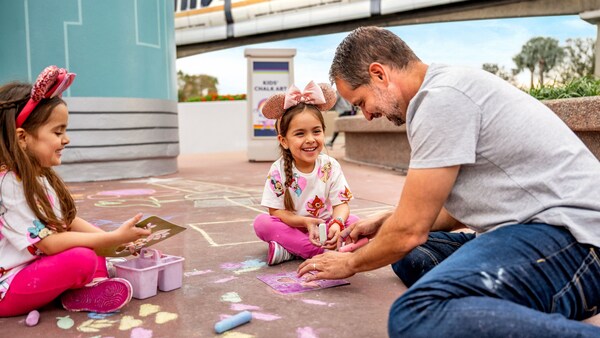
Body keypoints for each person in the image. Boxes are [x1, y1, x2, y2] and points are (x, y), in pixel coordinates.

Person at [297, 26, 600, 337]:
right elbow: (459, 209)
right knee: (407, 256)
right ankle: (507, 310)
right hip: (537, 230)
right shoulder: (441, 90)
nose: (367, 115)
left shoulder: (441, 101)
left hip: (577, 242)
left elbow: (410, 231)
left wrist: (351, 264)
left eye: (360, 102)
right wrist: (387, 222)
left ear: (379, 74)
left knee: (417, 315)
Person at [0, 65, 151, 317]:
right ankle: (81, 289)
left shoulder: (39, 176)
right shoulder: (8, 184)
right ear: (22, 137)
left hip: (35, 269)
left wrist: (114, 239)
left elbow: (67, 222)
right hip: (9, 287)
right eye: (58, 132)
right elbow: (49, 245)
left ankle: (85, 290)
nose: (66, 139)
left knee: (94, 250)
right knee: (82, 258)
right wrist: (109, 240)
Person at [253, 81, 359, 265]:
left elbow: (341, 205)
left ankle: (288, 250)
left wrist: (337, 223)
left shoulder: (330, 165)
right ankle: (324, 250)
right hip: (294, 227)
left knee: (355, 222)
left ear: (323, 132)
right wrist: (304, 222)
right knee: (262, 223)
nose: (310, 139)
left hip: (324, 227)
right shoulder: (278, 169)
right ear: (284, 141)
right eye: (300, 134)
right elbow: (275, 211)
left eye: (316, 131)